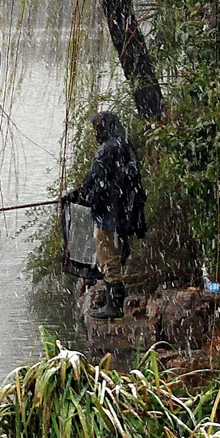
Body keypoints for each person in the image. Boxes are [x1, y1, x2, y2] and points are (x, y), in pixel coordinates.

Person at [65, 112, 146, 320]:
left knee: (108, 258)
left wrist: (82, 195)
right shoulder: (125, 144)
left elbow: (95, 179)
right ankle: (114, 302)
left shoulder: (107, 149)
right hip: (124, 214)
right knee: (115, 256)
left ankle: (114, 306)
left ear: (104, 127)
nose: (94, 133)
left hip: (109, 215)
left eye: (96, 128)